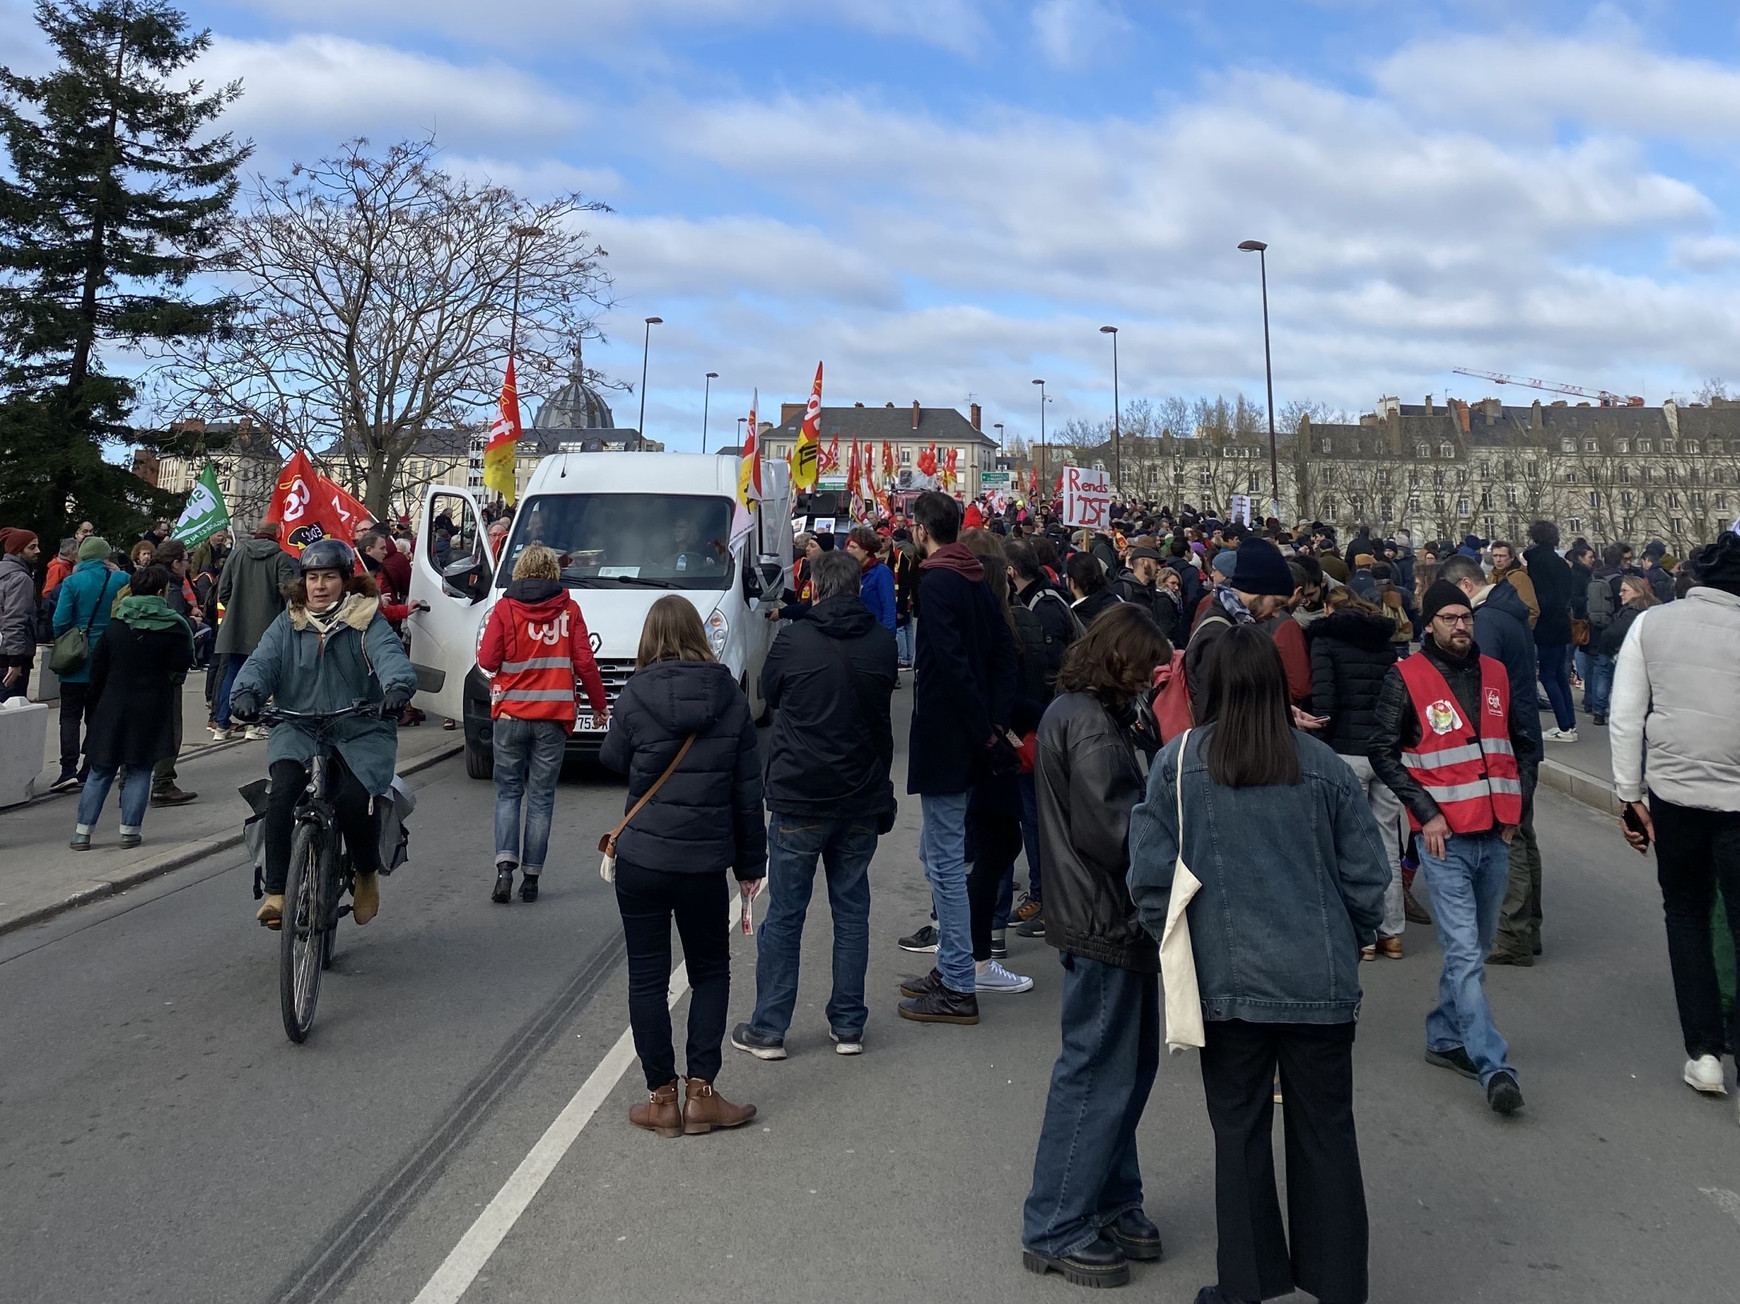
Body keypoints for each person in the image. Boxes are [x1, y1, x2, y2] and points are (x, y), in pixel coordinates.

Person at [1129, 625, 1389, 1304]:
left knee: (1239, 1134)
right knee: (1327, 1134)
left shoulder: (1178, 765)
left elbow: (1150, 878)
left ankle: (1246, 1282)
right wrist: (1348, 935)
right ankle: (1338, 1285)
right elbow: (1368, 875)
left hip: (1226, 983)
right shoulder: (1323, 765)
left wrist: (1179, 942)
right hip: (1320, 978)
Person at [1020, 605, 1174, 1289]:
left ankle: (1109, 1199)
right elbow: (1117, 834)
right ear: (1120, 661)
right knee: (1097, 1074)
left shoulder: (1086, 714)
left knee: (1120, 1071)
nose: (1154, 676)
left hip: (1101, 914)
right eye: (1147, 665)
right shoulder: (1091, 724)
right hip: (1106, 916)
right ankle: (1057, 1221)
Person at [599, 595, 766, 1136]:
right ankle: (702, 1094)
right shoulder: (729, 696)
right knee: (710, 971)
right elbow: (747, 791)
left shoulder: (635, 694)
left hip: (643, 857)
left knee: (647, 976)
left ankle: (661, 1099)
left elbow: (611, 760)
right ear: (700, 634)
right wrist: (750, 864)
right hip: (702, 861)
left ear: (649, 638)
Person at [1370, 580, 1534, 1115]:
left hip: (1495, 836)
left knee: (1475, 951)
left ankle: (1444, 1035)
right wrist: (1426, 813)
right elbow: (1383, 750)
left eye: (1465, 616)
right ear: (1429, 624)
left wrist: (1516, 810)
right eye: (1448, 617)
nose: (1460, 626)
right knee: (1464, 954)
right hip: (1445, 843)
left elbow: (1524, 744)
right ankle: (1494, 1066)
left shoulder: (1496, 675)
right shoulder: (1407, 677)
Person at [731, 550, 896, 1061]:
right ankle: (848, 1024)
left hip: (801, 791)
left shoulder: (795, 639)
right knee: (851, 911)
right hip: (861, 792)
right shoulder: (882, 643)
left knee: (786, 914)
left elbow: (770, 692)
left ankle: (770, 1027)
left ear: (817, 591)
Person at [1610, 533, 1740, 1110]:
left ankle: (1705, 1053)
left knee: (1685, 914)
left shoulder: (1654, 623)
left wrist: (1628, 794)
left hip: (1674, 793)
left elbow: (1624, 714)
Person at [229, 539, 417, 930]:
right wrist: (246, 693)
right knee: (280, 794)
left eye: (329, 576)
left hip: (359, 729)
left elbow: (389, 656)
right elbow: (261, 663)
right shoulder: (288, 622)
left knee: (353, 800)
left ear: (346, 581)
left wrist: (397, 688)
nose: (319, 585)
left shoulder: (367, 620)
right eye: (312, 577)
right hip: (298, 727)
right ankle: (278, 891)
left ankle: (365, 873)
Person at [899, 491, 1015, 1027]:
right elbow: (998, 655)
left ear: (924, 530)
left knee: (944, 861)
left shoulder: (940, 580)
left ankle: (958, 981)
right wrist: (992, 724)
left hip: (951, 737)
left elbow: (950, 664)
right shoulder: (972, 577)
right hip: (967, 735)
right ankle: (951, 969)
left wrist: (981, 731)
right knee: (936, 854)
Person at [475, 544, 610, 904]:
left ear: (520, 570)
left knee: (507, 793)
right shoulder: (569, 609)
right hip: (553, 717)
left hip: (510, 715)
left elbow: (487, 659)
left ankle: (505, 869)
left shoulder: (504, 608)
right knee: (541, 798)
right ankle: (531, 878)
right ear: (554, 572)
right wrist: (599, 706)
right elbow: (585, 663)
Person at [1309, 591, 1408, 958]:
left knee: (1348, 845)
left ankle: (1362, 934)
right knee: (1387, 842)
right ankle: (1392, 932)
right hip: (1385, 752)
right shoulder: (1385, 645)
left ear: (1330, 610)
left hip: (1345, 751)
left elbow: (1325, 702)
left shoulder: (1325, 642)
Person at [68, 566, 194, 850]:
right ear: (162, 592)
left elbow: (98, 669)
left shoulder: (116, 625)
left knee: (100, 771)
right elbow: (180, 665)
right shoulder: (174, 627)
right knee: (139, 769)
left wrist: (98, 701)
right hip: (151, 704)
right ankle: (129, 832)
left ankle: (82, 833)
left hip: (112, 704)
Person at [1184, 537, 1297, 721]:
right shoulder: (1218, 633)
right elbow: (1216, 714)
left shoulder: (1232, 622)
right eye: (1276, 604)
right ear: (1257, 589)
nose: (1277, 614)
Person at [50, 537, 129, 791]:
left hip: (76, 658)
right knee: (97, 714)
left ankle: (67, 770)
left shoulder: (71, 582)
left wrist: (74, 634)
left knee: (70, 715)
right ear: (105, 556)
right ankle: (91, 766)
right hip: (109, 656)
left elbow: (59, 621)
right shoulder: (121, 579)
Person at [213, 523, 297, 742]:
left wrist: (234, 609)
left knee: (231, 673)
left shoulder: (238, 553)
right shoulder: (280, 557)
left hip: (236, 625)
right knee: (262, 675)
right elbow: (287, 591)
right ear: (276, 535)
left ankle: (221, 725)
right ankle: (254, 724)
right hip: (267, 626)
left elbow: (223, 590)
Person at [139, 538, 202, 806]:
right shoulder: (170, 587)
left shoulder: (141, 578)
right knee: (169, 726)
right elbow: (172, 625)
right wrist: (193, 621)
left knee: (140, 725)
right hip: (166, 669)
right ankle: (163, 783)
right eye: (186, 560)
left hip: (139, 665)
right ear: (175, 562)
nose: (188, 565)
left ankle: (130, 781)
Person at [1523, 521, 1577, 741]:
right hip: (1561, 622)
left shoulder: (1535, 561)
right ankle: (1569, 723)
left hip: (1545, 623)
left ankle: (1564, 726)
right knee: (1559, 676)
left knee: (1547, 676)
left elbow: (1537, 595)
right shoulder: (1560, 563)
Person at [0, 528, 41, 703]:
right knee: (12, 713)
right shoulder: (20, 579)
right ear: (18, 549)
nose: (38, 551)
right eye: (32, 547)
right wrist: (15, 660)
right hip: (11, 658)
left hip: (4, 650)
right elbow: (14, 620)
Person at [846, 526, 896, 632]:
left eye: (854, 547)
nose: (848, 551)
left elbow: (889, 609)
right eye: (848, 547)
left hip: (875, 634)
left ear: (866, 550)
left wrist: (888, 638)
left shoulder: (881, 572)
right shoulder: (851, 572)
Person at [1486, 541, 1539, 629]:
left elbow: (1532, 610)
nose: (1498, 560)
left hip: (1514, 630)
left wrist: (1521, 631)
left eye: (1502, 556)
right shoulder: (1491, 576)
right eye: (1495, 556)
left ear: (1511, 558)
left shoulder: (1519, 577)